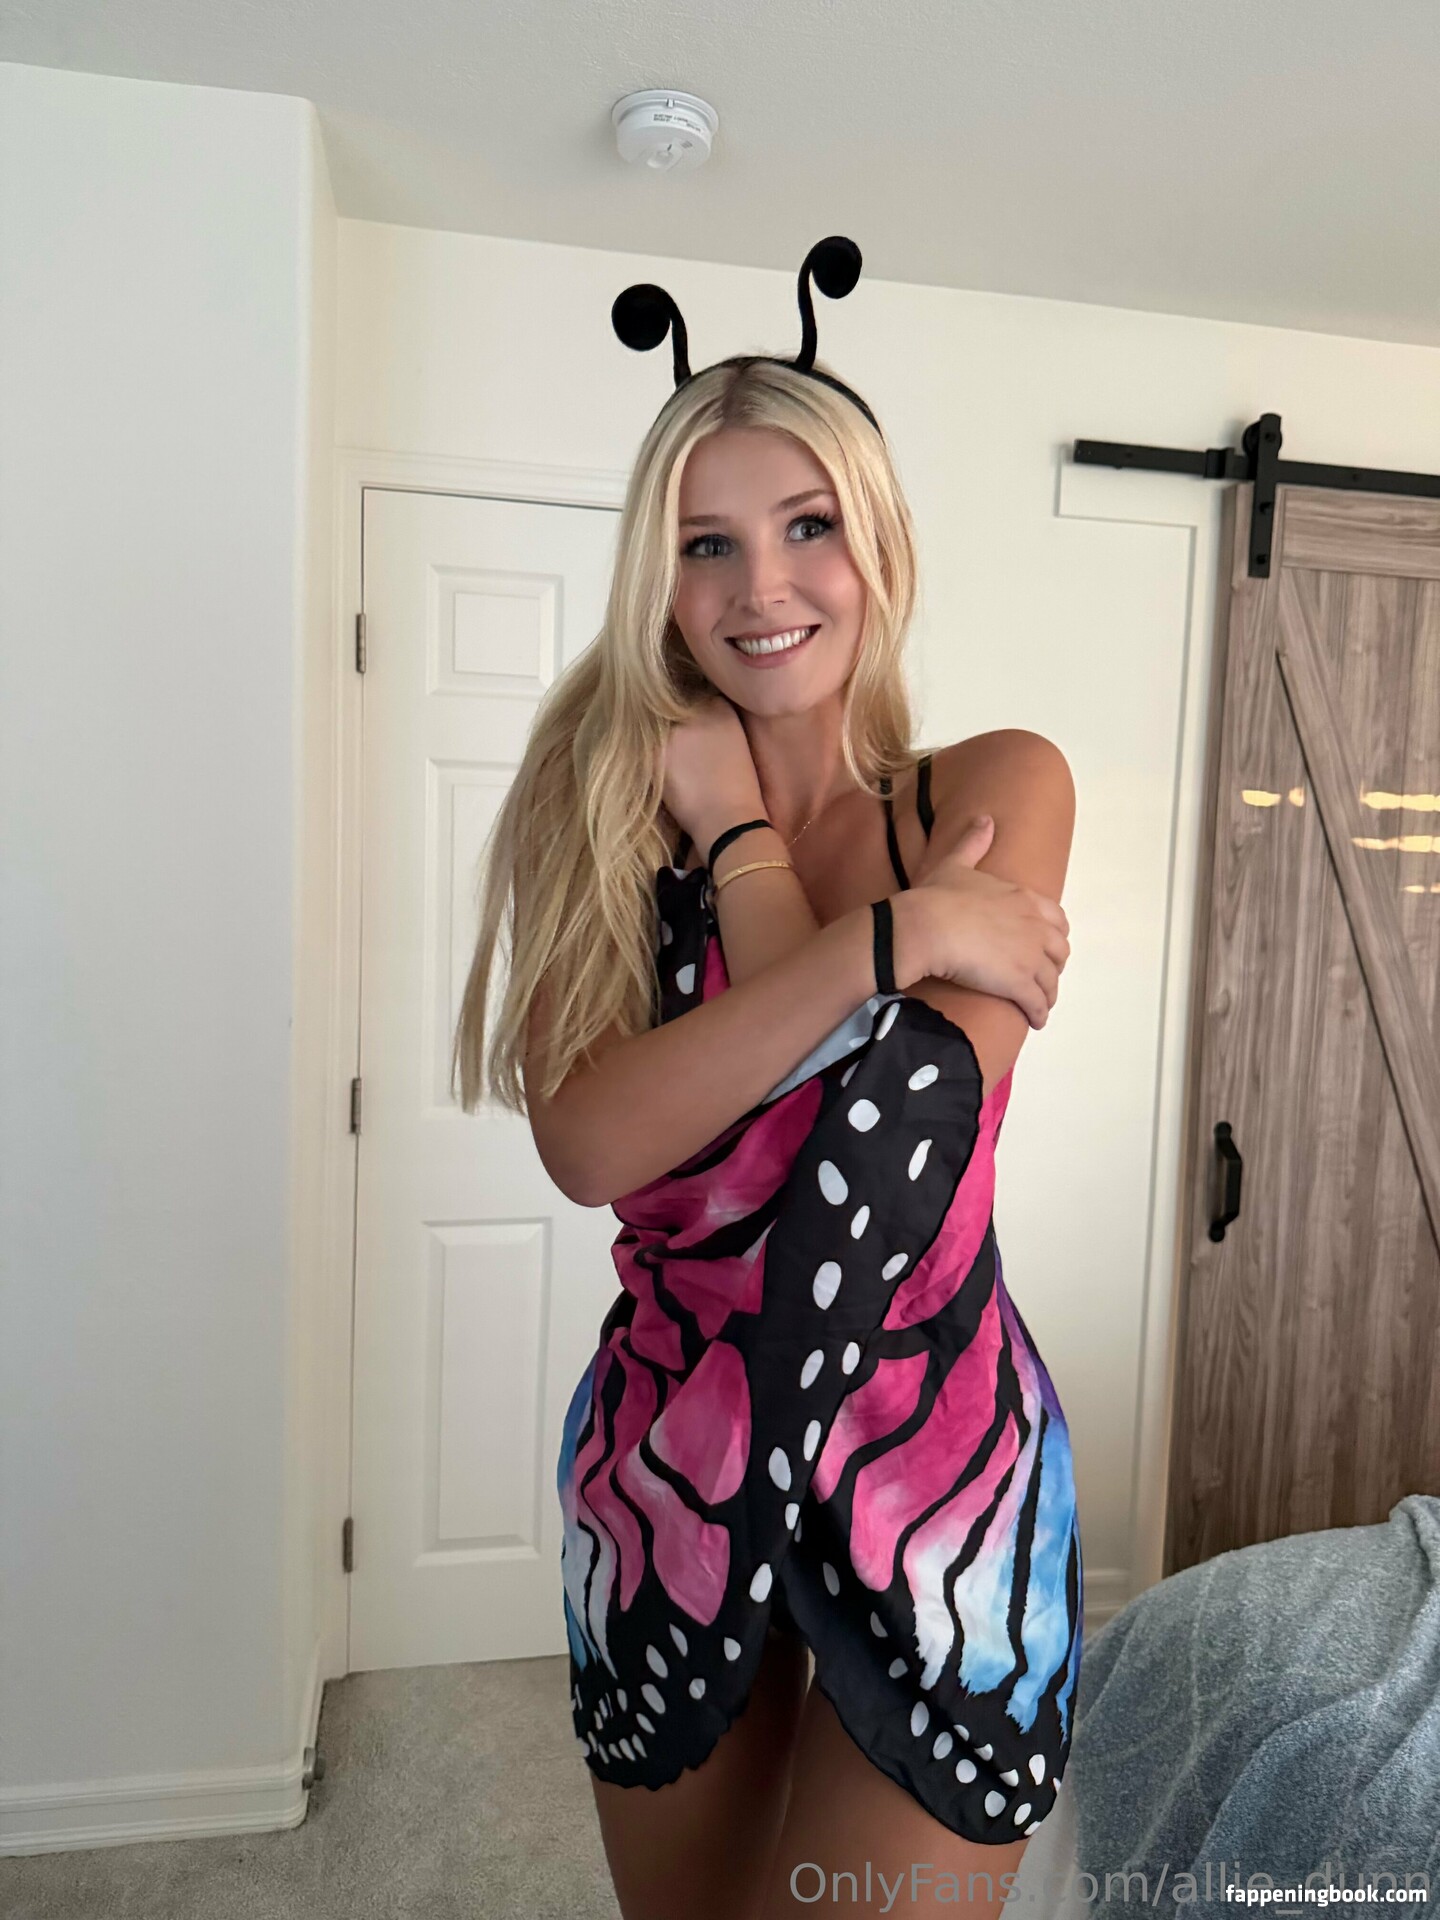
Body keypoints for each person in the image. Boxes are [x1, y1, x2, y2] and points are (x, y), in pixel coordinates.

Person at [451, 239, 1081, 1919]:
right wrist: (881, 932)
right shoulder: (592, 808)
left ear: (880, 545)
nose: (761, 588)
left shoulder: (999, 785)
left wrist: (751, 866)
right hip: (672, 1457)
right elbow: (589, 1142)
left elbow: (885, 1151)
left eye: (808, 526)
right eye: (704, 543)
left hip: (933, 1466)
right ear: (656, 581)